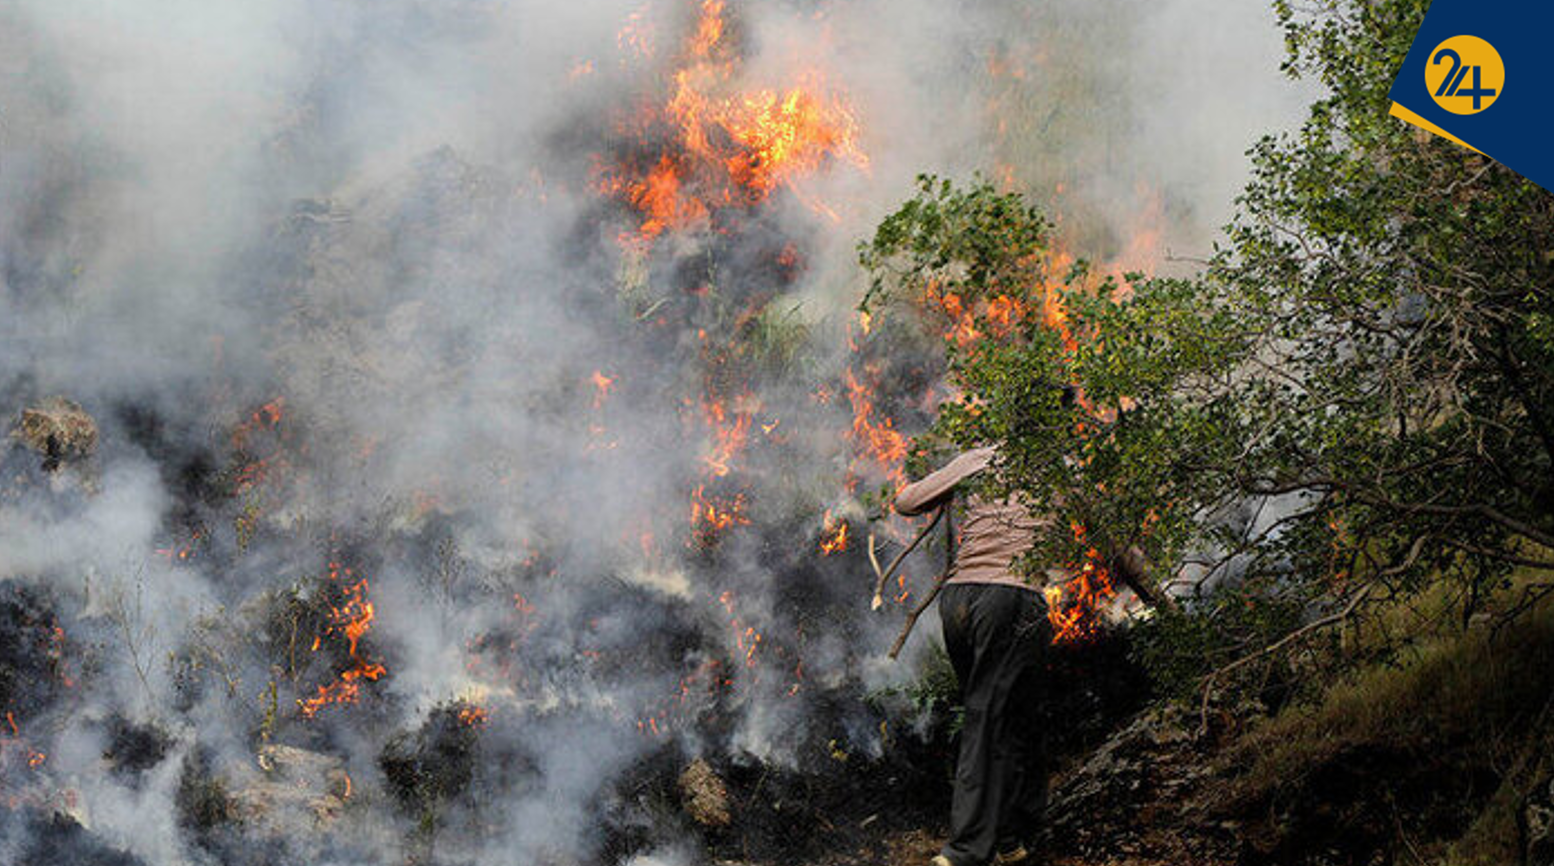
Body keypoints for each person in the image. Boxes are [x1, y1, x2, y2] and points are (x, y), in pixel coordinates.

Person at [894, 445, 1059, 866]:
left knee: (1011, 716)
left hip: (959, 601)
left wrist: (958, 476)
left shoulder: (981, 457)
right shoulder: (1063, 465)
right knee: (991, 717)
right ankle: (966, 850)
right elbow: (1111, 540)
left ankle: (1009, 836)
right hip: (1011, 600)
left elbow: (907, 501)